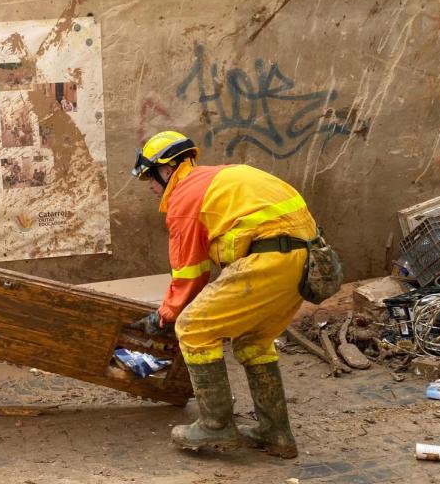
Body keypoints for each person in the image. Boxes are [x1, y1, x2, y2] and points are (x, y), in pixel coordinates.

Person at [132, 130, 317, 459]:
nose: (149, 186)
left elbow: (190, 274)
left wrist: (165, 316)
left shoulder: (186, 197)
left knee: (193, 328)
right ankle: (276, 433)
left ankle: (216, 424)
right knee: (253, 341)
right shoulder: (216, 181)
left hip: (270, 259)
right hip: (304, 262)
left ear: (166, 169)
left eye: (149, 175)